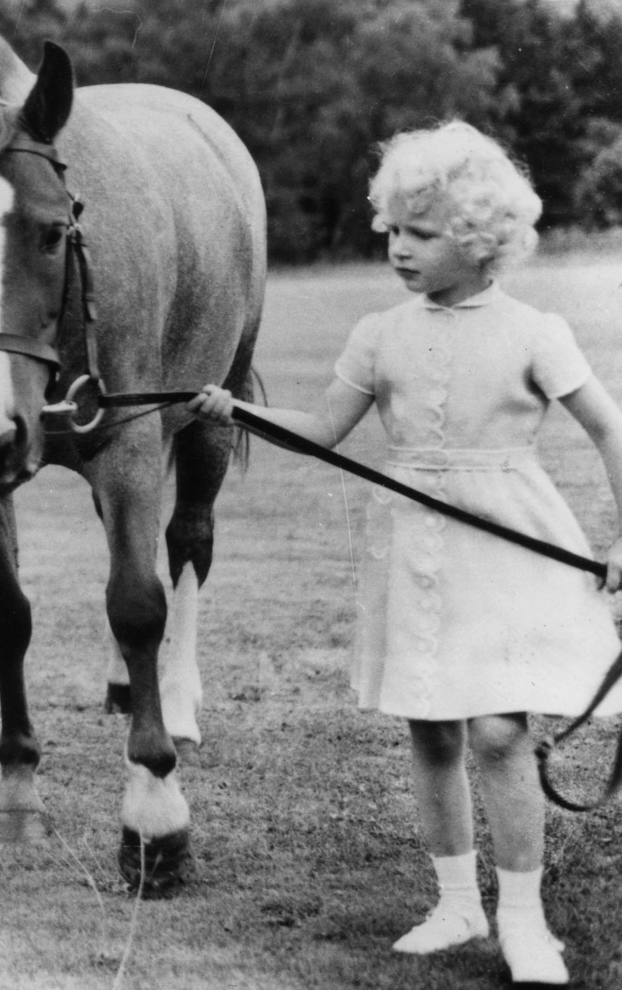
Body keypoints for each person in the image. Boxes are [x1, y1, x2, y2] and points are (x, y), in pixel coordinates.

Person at [190, 121, 622, 985]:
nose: (396, 250)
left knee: (500, 731)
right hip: (415, 549)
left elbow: (613, 430)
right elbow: (322, 432)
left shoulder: (535, 331)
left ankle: (525, 922)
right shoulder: (380, 333)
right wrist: (234, 409)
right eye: (390, 231)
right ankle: (457, 903)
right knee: (431, 728)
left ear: (478, 238)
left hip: (512, 544)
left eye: (419, 234)